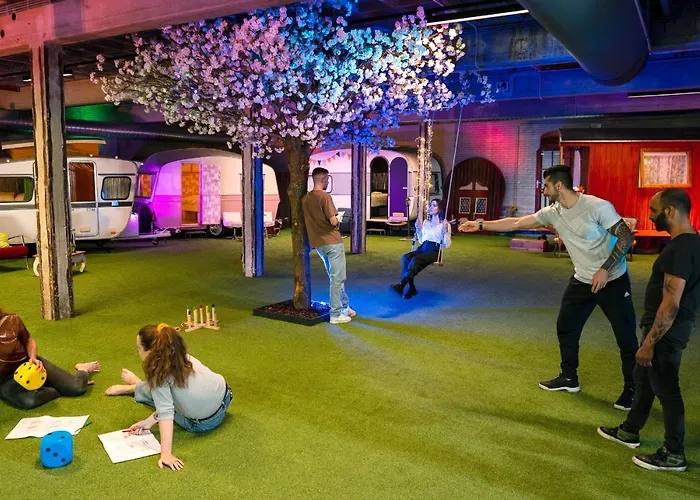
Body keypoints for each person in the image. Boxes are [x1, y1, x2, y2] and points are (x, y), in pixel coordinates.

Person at [459, 165, 638, 409]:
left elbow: (626, 236)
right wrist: (480, 225)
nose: (543, 190)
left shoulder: (597, 206)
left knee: (626, 337)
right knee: (566, 327)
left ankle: (633, 390)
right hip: (582, 279)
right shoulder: (552, 213)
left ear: (559, 185)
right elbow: (516, 222)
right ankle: (569, 377)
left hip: (613, 279)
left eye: (546, 186)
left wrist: (605, 269)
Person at [597, 189, 700, 472]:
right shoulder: (693, 242)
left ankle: (674, 454)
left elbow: (671, 303)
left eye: (654, 210)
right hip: (671, 328)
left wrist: (649, 343)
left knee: (667, 390)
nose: (650, 216)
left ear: (670, 211)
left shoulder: (678, 250)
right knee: (643, 378)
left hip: (666, 332)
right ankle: (629, 431)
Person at [105, 323, 232, 471]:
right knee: (164, 393)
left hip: (205, 423)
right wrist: (149, 421)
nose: (138, 352)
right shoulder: (178, 353)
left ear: (150, 351)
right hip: (226, 397)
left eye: (139, 348)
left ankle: (136, 387)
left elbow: (166, 412)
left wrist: (166, 454)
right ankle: (141, 386)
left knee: (160, 396)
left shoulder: (158, 375)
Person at [0, 307, 99, 409]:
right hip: (5, 380)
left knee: (77, 388)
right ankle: (53, 389)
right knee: (30, 401)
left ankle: (82, 369)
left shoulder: (12, 320)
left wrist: (33, 357)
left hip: (29, 365)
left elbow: (29, 340)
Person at [302, 167, 355, 324]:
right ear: (324, 179)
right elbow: (333, 221)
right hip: (332, 241)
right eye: (327, 180)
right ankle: (336, 314)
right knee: (337, 278)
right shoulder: (325, 197)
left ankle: (344, 306)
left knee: (334, 277)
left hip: (318, 243)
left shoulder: (305, 199)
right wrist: (337, 220)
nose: (327, 182)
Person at [391, 198, 451, 298]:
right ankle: (412, 288)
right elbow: (422, 240)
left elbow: (446, 244)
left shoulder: (444, 224)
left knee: (416, 260)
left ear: (439, 208)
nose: (431, 207)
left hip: (435, 250)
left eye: (434, 205)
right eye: (430, 205)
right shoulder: (426, 222)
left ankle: (401, 285)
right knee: (405, 257)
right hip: (423, 247)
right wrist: (418, 230)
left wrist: (446, 232)